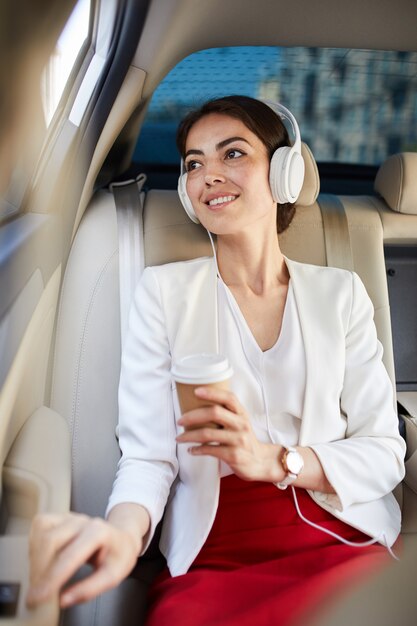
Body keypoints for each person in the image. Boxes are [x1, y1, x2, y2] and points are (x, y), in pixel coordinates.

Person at [27, 95, 406, 625]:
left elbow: (385, 453)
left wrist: (274, 461)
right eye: (193, 163)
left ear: (284, 172)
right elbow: (149, 458)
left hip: (338, 529)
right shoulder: (162, 293)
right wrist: (120, 534)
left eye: (232, 154)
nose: (209, 175)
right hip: (216, 549)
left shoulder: (340, 293)